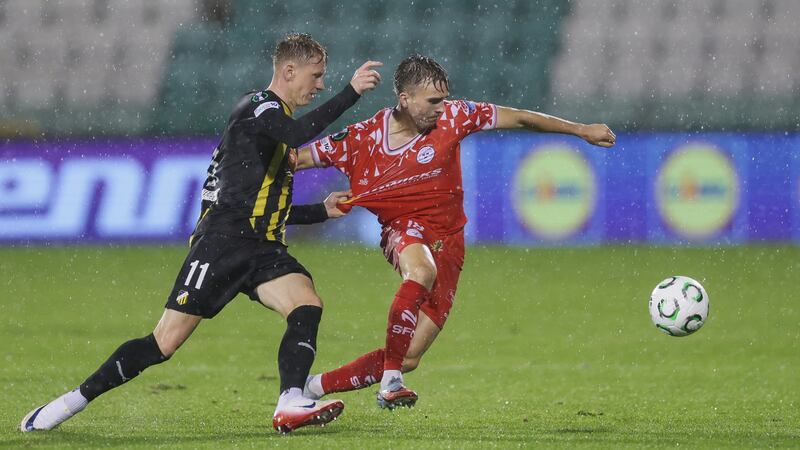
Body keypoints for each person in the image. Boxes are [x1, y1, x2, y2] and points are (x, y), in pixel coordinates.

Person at [20, 33, 382, 434]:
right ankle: (69, 403)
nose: (320, 85)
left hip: (261, 247)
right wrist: (351, 92)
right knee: (163, 344)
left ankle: (291, 400)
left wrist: (320, 210)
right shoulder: (258, 106)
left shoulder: (271, 129)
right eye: (316, 76)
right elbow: (290, 144)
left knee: (306, 305)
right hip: (222, 245)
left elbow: (259, 205)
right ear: (289, 70)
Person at [293, 54, 616, 409]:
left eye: (444, 99)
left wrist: (580, 129)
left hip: (450, 242)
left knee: (410, 354)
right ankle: (390, 382)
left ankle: (312, 388)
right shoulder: (360, 138)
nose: (441, 108)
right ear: (405, 99)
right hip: (402, 230)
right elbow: (296, 160)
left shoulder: (455, 116)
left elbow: (521, 118)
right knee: (421, 270)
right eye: (433, 101)